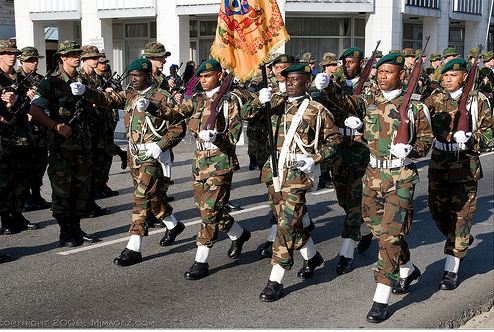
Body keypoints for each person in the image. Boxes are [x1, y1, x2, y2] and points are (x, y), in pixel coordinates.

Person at [315, 52, 433, 322]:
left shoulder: (415, 106)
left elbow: (427, 140)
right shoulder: (369, 101)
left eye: (388, 72)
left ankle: (381, 297)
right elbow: (346, 101)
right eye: (380, 72)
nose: (382, 76)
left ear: (401, 75)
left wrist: (412, 149)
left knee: (390, 236)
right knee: (378, 230)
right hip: (373, 174)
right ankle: (408, 268)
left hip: (400, 176)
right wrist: (328, 85)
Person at [244, 63, 340, 302]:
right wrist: (258, 100)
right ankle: (313, 256)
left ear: (306, 82)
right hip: (274, 174)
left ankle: (275, 280)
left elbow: (334, 141)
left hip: (297, 176)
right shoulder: (274, 105)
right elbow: (247, 115)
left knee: (286, 225)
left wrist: (314, 159)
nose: (289, 83)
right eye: (286, 79)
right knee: (288, 222)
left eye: (294, 79)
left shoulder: (317, 110)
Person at [91, 57, 187, 266]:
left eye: (138, 76)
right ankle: (173, 225)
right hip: (133, 155)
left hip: (152, 155)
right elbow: (106, 100)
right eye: (132, 76)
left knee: (141, 197)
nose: (133, 79)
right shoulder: (129, 94)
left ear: (148, 75)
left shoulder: (163, 96)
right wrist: (86, 92)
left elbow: (179, 126)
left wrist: (160, 145)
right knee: (151, 196)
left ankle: (133, 247)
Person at [170, 59, 252, 280]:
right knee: (208, 209)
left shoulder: (228, 101)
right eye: (200, 77)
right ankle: (239, 233)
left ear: (219, 75)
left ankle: (201, 260)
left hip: (220, 162)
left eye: (207, 76)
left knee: (208, 212)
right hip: (200, 162)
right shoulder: (197, 100)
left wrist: (217, 137)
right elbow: (175, 113)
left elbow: (234, 134)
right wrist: (150, 106)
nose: (202, 80)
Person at [28, 40, 110, 246]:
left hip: (84, 144)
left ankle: (76, 227)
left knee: (81, 189)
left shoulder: (83, 80)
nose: (76, 57)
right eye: (72, 54)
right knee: (63, 191)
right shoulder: (52, 82)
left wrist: (86, 92)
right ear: (62, 58)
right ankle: (65, 231)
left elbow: (101, 100)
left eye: (77, 53)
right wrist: (56, 126)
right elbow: (34, 110)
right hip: (61, 146)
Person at [424, 58, 493, 290]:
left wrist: (473, 138)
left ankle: (451, 268)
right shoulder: (436, 98)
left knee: (461, 217)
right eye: (445, 76)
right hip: (440, 162)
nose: (448, 79)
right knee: (437, 210)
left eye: (453, 75)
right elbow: (419, 118)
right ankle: (460, 239)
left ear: (464, 76)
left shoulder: (478, 100)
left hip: (465, 164)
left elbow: (490, 133)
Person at [321, 47, 373, 274]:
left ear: (361, 62)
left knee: (354, 201)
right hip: (340, 148)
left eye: (351, 61)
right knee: (343, 198)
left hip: (361, 149)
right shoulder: (338, 83)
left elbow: (360, 106)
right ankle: (367, 228)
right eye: (344, 62)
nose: (347, 65)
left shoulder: (372, 86)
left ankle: (346, 253)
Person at [0, 39, 39, 234]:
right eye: (8, 53)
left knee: (22, 178)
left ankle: (17, 213)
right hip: (3, 137)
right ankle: (5, 218)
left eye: (14, 53)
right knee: (4, 180)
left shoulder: (20, 78)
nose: (13, 56)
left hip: (23, 134)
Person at [16, 47, 51, 212]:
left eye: (36, 59)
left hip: (40, 127)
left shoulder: (41, 79)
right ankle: (25, 198)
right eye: (30, 60)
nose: (34, 62)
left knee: (40, 162)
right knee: (25, 164)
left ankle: (36, 195)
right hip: (24, 127)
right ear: (22, 61)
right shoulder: (16, 78)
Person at [78, 45, 110, 218]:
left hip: (100, 127)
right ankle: (85, 205)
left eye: (96, 57)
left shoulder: (96, 78)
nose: (96, 60)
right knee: (87, 171)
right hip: (87, 129)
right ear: (84, 60)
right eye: (92, 58)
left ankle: (91, 202)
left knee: (97, 168)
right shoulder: (80, 79)